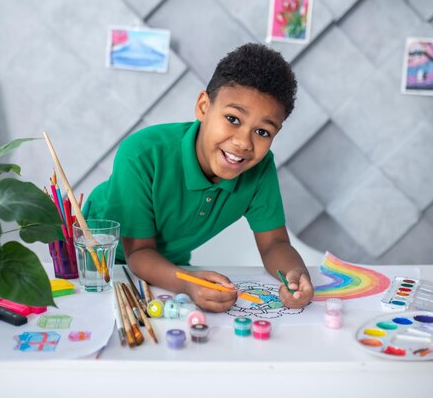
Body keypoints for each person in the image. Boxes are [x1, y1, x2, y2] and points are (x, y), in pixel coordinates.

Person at [87, 42, 314, 312]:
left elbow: (274, 243)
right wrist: (188, 283)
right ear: (204, 107)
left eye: (263, 132)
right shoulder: (141, 153)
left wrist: (295, 273)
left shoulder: (260, 168)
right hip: (96, 264)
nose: (243, 143)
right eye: (232, 118)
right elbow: (137, 253)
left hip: (169, 269)